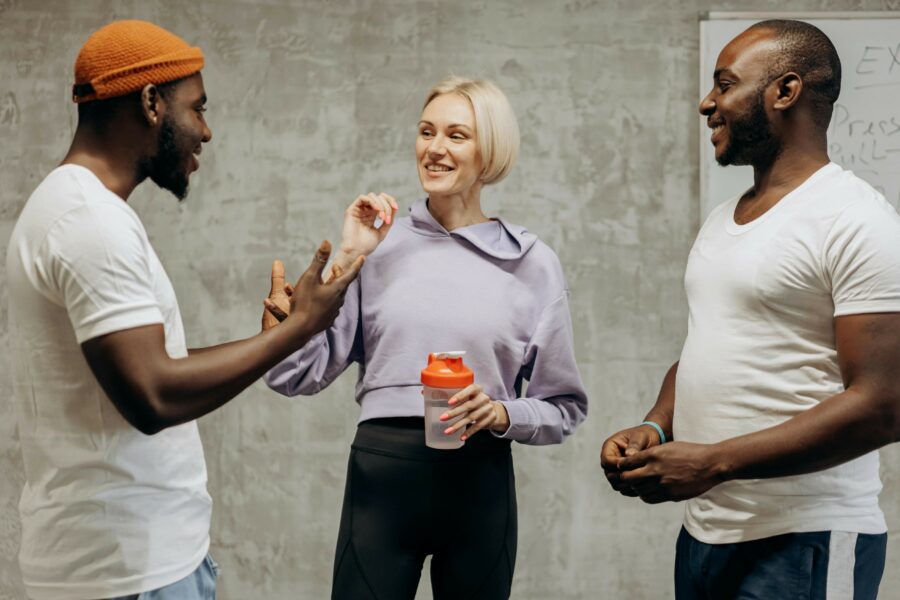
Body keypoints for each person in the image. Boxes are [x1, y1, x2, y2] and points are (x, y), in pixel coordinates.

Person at [6, 20, 361, 600]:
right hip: (127, 573)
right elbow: (154, 394)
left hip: (123, 563)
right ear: (150, 102)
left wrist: (272, 338)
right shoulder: (89, 222)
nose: (206, 130)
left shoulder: (73, 207)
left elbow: (145, 365)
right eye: (196, 108)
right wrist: (299, 328)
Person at [601, 19, 900, 599]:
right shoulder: (725, 219)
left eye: (725, 84)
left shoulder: (858, 221)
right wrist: (656, 424)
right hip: (706, 536)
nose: (706, 102)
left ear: (784, 92)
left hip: (804, 539)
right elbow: (708, 349)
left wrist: (713, 462)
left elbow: (884, 407)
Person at [262, 76, 588, 599]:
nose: (434, 149)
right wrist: (338, 269)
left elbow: (564, 407)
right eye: (426, 131)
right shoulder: (377, 245)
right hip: (381, 480)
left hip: (479, 483)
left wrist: (501, 413)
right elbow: (295, 375)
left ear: (490, 152)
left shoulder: (533, 263)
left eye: (456, 135)